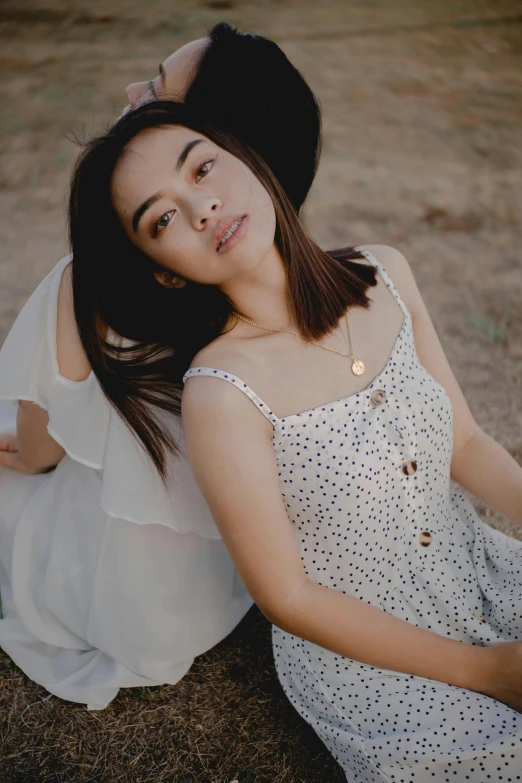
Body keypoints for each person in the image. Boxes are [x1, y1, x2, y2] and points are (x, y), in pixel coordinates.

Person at [69, 99, 522, 780]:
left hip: (474, 570)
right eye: (162, 220)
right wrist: (485, 671)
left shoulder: (385, 273)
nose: (200, 209)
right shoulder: (221, 392)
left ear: (249, 162)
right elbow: (289, 597)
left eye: (202, 169)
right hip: (370, 658)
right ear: (165, 269)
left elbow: (466, 442)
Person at [0, 24, 322, 710]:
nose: (131, 92)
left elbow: (38, 448)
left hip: (122, 601)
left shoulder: (92, 281)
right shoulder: (289, 287)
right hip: (219, 588)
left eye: (154, 90)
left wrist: (25, 456)